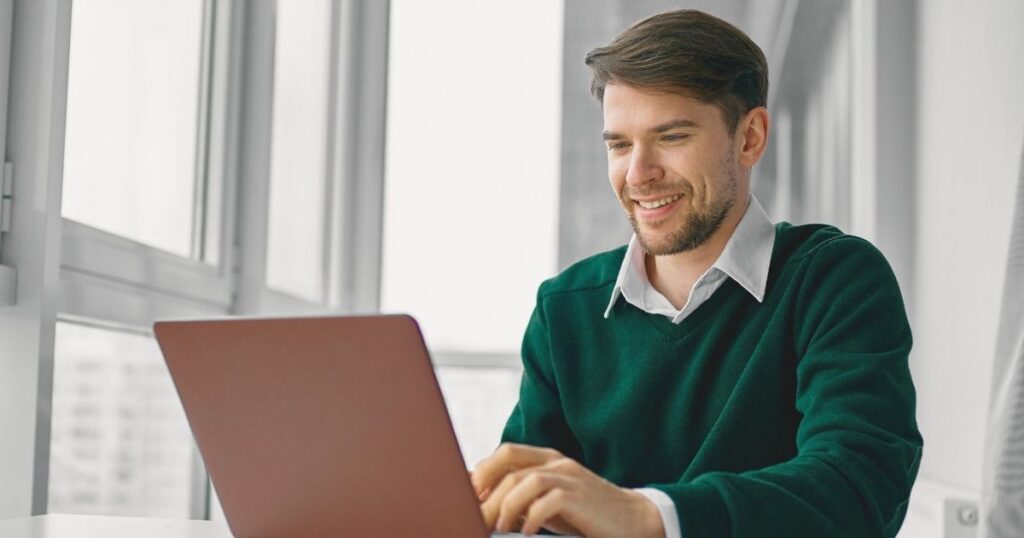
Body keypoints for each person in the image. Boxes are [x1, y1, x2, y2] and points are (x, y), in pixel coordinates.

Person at [469, 9, 923, 538]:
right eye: (619, 145)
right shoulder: (564, 309)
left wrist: (647, 516)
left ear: (750, 137)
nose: (638, 174)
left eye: (671, 137)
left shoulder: (835, 281)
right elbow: (527, 514)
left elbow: (859, 487)